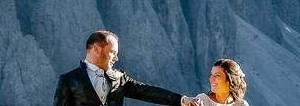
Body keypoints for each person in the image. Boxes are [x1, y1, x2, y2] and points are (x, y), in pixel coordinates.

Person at [53, 30, 201, 106]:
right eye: (113, 53)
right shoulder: (69, 80)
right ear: (97, 50)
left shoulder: (119, 79)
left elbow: (148, 92)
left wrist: (183, 100)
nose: (116, 58)